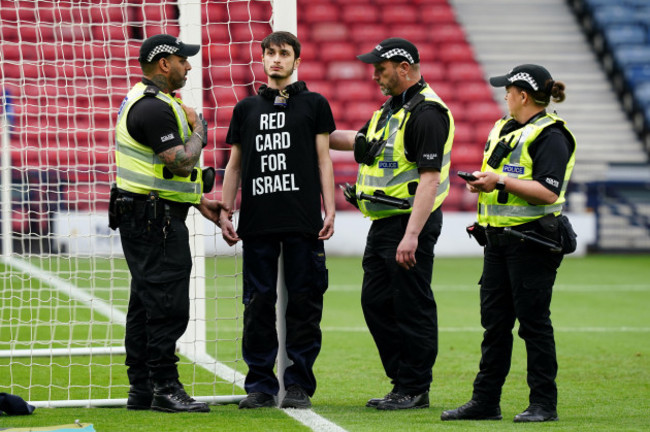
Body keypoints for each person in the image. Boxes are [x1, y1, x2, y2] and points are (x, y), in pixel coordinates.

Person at [441, 64, 576, 423]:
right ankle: (485, 401)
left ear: (523, 95)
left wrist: (498, 180)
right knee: (495, 325)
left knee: (533, 325)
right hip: (499, 242)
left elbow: (548, 191)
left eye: (508, 89)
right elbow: (507, 181)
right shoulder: (505, 128)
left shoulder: (552, 135)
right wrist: (484, 181)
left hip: (532, 241)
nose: (504, 95)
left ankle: (543, 404)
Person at [329, 37, 454, 410]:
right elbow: (360, 141)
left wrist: (412, 235)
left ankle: (414, 387)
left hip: (409, 223)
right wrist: (311, 128)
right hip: (385, 223)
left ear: (403, 68)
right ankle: (404, 382)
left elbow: (430, 179)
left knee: (411, 305)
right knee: (376, 302)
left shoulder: (427, 113)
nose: (373, 75)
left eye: (379, 68)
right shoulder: (391, 109)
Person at [109, 34, 228, 413]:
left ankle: (141, 388)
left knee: (145, 304)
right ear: (164, 64)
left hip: (149, 215)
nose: (188, 66)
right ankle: (165, 387)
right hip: (153, 222)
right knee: (165, 305)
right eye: (183, 60)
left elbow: (159, 176)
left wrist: (198, 201)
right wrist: (201, 129)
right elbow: (180, 161)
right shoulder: (154, 109)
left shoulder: (149, 101)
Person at [219, 31, 336, 410]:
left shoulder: (314, 104)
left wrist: (330, 207)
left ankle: (299, 384)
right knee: (258, 306)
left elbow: (323, 159)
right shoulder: (246, 108)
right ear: (263, 59)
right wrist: (225, 209)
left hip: (304, 220)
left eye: (284, 53)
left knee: (304, 304)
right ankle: (260, 386)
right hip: (258, 222)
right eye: (270, 53)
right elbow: (234, 164)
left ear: (296, 60)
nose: (276, 60)